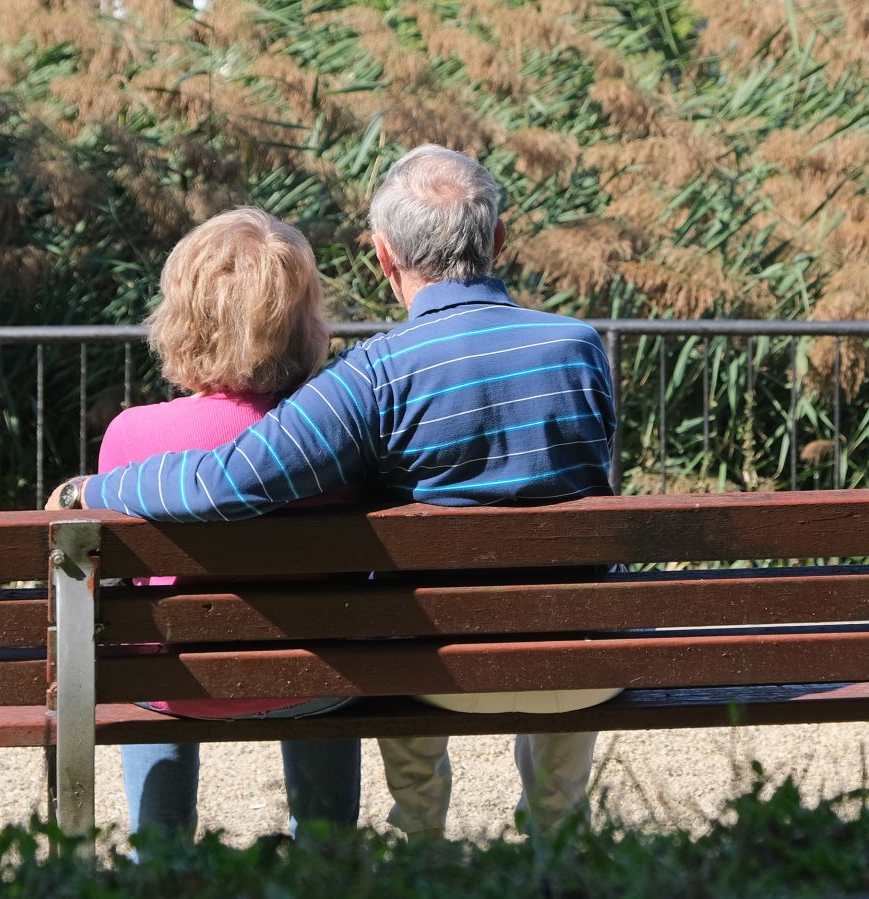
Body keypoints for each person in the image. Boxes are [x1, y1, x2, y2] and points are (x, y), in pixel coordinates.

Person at [56, 145, 619, 837]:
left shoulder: (374, 375)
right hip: (588, 661)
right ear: (499, 239)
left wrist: (96, 487)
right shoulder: (581, 346)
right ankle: (557, 835)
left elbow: (225, 480)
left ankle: (421, 839)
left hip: (434, 670)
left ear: (384, 256)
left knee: (398, 627)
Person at [70, 207, 360, 842]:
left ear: (183, 317)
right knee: (325, 667)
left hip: (169, 682)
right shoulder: (338, 437)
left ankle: (163, 854)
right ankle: (327, 855)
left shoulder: (131, 436)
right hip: (311, 676)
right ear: (302, 320)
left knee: (146, 656)